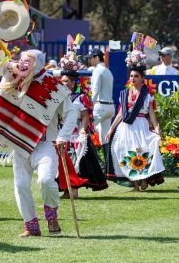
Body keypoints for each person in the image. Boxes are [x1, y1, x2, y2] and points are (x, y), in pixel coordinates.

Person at [0, 49, 77, 237]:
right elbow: (0, 62)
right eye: (22, 60)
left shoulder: (54, 86)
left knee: (45, 180)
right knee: (20, 185)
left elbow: (71, 113)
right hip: (20, 143)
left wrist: (62, 137)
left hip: (46, 143)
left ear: (39, 64)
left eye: (29, 61)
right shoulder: (16, 76)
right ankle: (31, 226)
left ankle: (51, 216)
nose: (23, 64)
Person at [106, 50, 164, 191]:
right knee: (126, 150)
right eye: (131, 76)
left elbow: (151, 113)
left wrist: (156, 128)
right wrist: (111, 128)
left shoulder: (147, 94)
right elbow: (121, 113)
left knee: (141, 150)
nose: (133, 78)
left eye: (136, 76)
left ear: (142, 77)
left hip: (141, 125)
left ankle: (143, 180)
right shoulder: (125, 93)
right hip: (126, 127)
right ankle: (136, 184)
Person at [57, 46, 105, 198]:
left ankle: (74, 190)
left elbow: (85, 115)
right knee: (62, 160)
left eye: (66, 81)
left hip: (76, 131)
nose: (63, 83)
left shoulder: (80, 97)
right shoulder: (58, 97)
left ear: (73, 82)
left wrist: (83, 130)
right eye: (62, 80)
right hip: (62, 131)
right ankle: (66, 189)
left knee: (75, 160)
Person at [87, 48, 114, 152]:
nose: (89, 61)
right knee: (105, 138)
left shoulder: (97, 70)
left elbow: (96, 89)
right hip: (110, 107)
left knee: (85, 130)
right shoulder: (108, 70)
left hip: (100, 105)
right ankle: (108, 166)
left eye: (91, 58)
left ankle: (96, 161)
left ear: (97, 58)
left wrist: (90, 105)